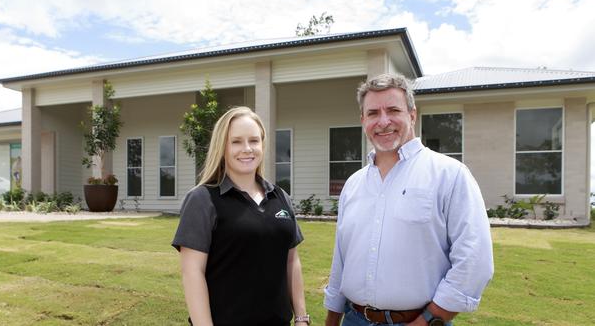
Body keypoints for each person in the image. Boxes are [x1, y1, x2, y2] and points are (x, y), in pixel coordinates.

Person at [324, 74, 494, 326]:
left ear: (412, 115)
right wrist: (331, 320)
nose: (383, 122)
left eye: (393, 110)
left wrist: (429, 320)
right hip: (354, 319)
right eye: (373, 113)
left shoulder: (449, 174)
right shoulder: (353, 185)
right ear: (363, 120)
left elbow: (474, 260)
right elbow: (341, 261)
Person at [172, 106, 309, 326]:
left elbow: (291, 260)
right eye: (236, 141)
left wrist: (301, 318)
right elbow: (192, 273)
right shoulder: (202, 199)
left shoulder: (280, 197)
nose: (247, 149)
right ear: (222, 147)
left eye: (254, 141)